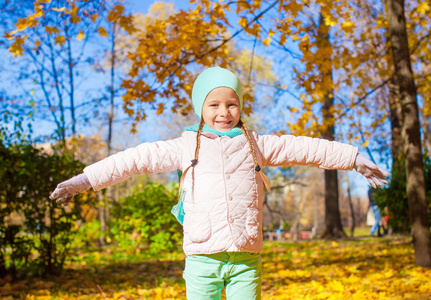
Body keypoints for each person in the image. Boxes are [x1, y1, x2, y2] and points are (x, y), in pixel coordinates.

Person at [50, 66, 389, 300]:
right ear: (201, 108)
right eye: (214, 104)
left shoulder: (256, 143)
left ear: (240, 106)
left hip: (245, 257)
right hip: (202, 258)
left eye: (232, 103)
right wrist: (85, 180)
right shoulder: (185, 145)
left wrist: (354, 158)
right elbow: (134, 160)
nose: (224, 111)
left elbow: (304, 147)